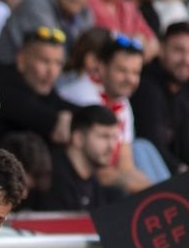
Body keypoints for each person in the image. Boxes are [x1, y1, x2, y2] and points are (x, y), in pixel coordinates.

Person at [57, 32, 155, 188]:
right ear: (101, 68)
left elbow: (126, 164)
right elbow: (100, 173)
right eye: (122, 71)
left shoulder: (122, 100)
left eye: (135, 72)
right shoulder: (83, 96)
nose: (129, 79)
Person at [0, 26, 73, 150]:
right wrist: (61, 119)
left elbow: (62, 105)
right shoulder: (2, 84)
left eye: (58, 63)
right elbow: (42, 119)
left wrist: (68, 116)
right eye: (44, 61)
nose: (52, 71)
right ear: (22, 60)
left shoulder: (40, 86)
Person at [131, 21, 189, 173]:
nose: (186, 59)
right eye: (178, 50)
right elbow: (151, 144)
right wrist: (181, 170)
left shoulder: (186, 94)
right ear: (161, 50)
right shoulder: (145, 87)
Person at [38, 105, 121, 210]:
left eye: (114, 138)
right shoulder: (52, 178)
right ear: (78, 138)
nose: (112, 146)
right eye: (104, 137)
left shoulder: (92, 181)